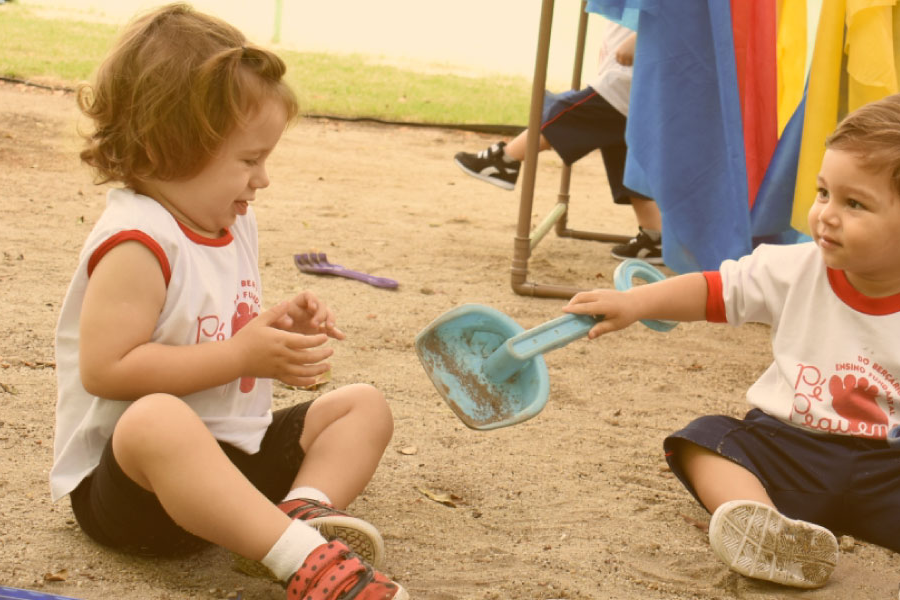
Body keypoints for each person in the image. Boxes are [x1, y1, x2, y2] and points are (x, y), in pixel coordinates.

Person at [563, 89, 900, 599]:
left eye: (854, 203)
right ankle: (762, 527)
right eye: (824, 192)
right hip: (788, 448)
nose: (825, 214)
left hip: (899, 466)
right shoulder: (794, 268)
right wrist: (639, 302)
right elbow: (715, 291)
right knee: (705, 439)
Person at [51, 5, 405, 599]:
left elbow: (216, 325)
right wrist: (244, 355)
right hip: (139, 492)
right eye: (248, 160)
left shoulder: (232, 220)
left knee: (362, 406)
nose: (262, 179)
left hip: (233, 462)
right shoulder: (137, 241)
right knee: (156, 418)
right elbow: (107, 369)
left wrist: (274, 332)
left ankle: (298, 520)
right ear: (168, 148)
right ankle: (304, 561)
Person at [453, 21, 665, 264]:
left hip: (627, 81)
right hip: (623, 78)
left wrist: (641, 36)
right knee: (621, 154)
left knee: (563, 113)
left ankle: (505, 160)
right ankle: (654, 236)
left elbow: (673, 9)